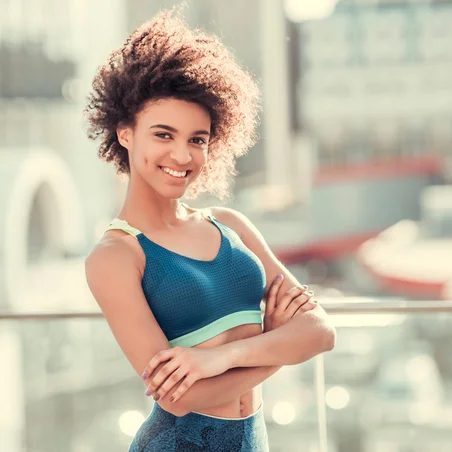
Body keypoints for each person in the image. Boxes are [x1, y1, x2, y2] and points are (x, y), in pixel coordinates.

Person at [83, 9, 336, 452]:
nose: (181, 155)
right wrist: (274, 343)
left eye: (197, 139)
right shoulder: (115, 257)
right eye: (164, 135)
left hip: (253, 438)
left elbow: (320, 332)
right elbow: (180, 399)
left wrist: (225, 356)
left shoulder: (231, 225)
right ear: (125, 133)